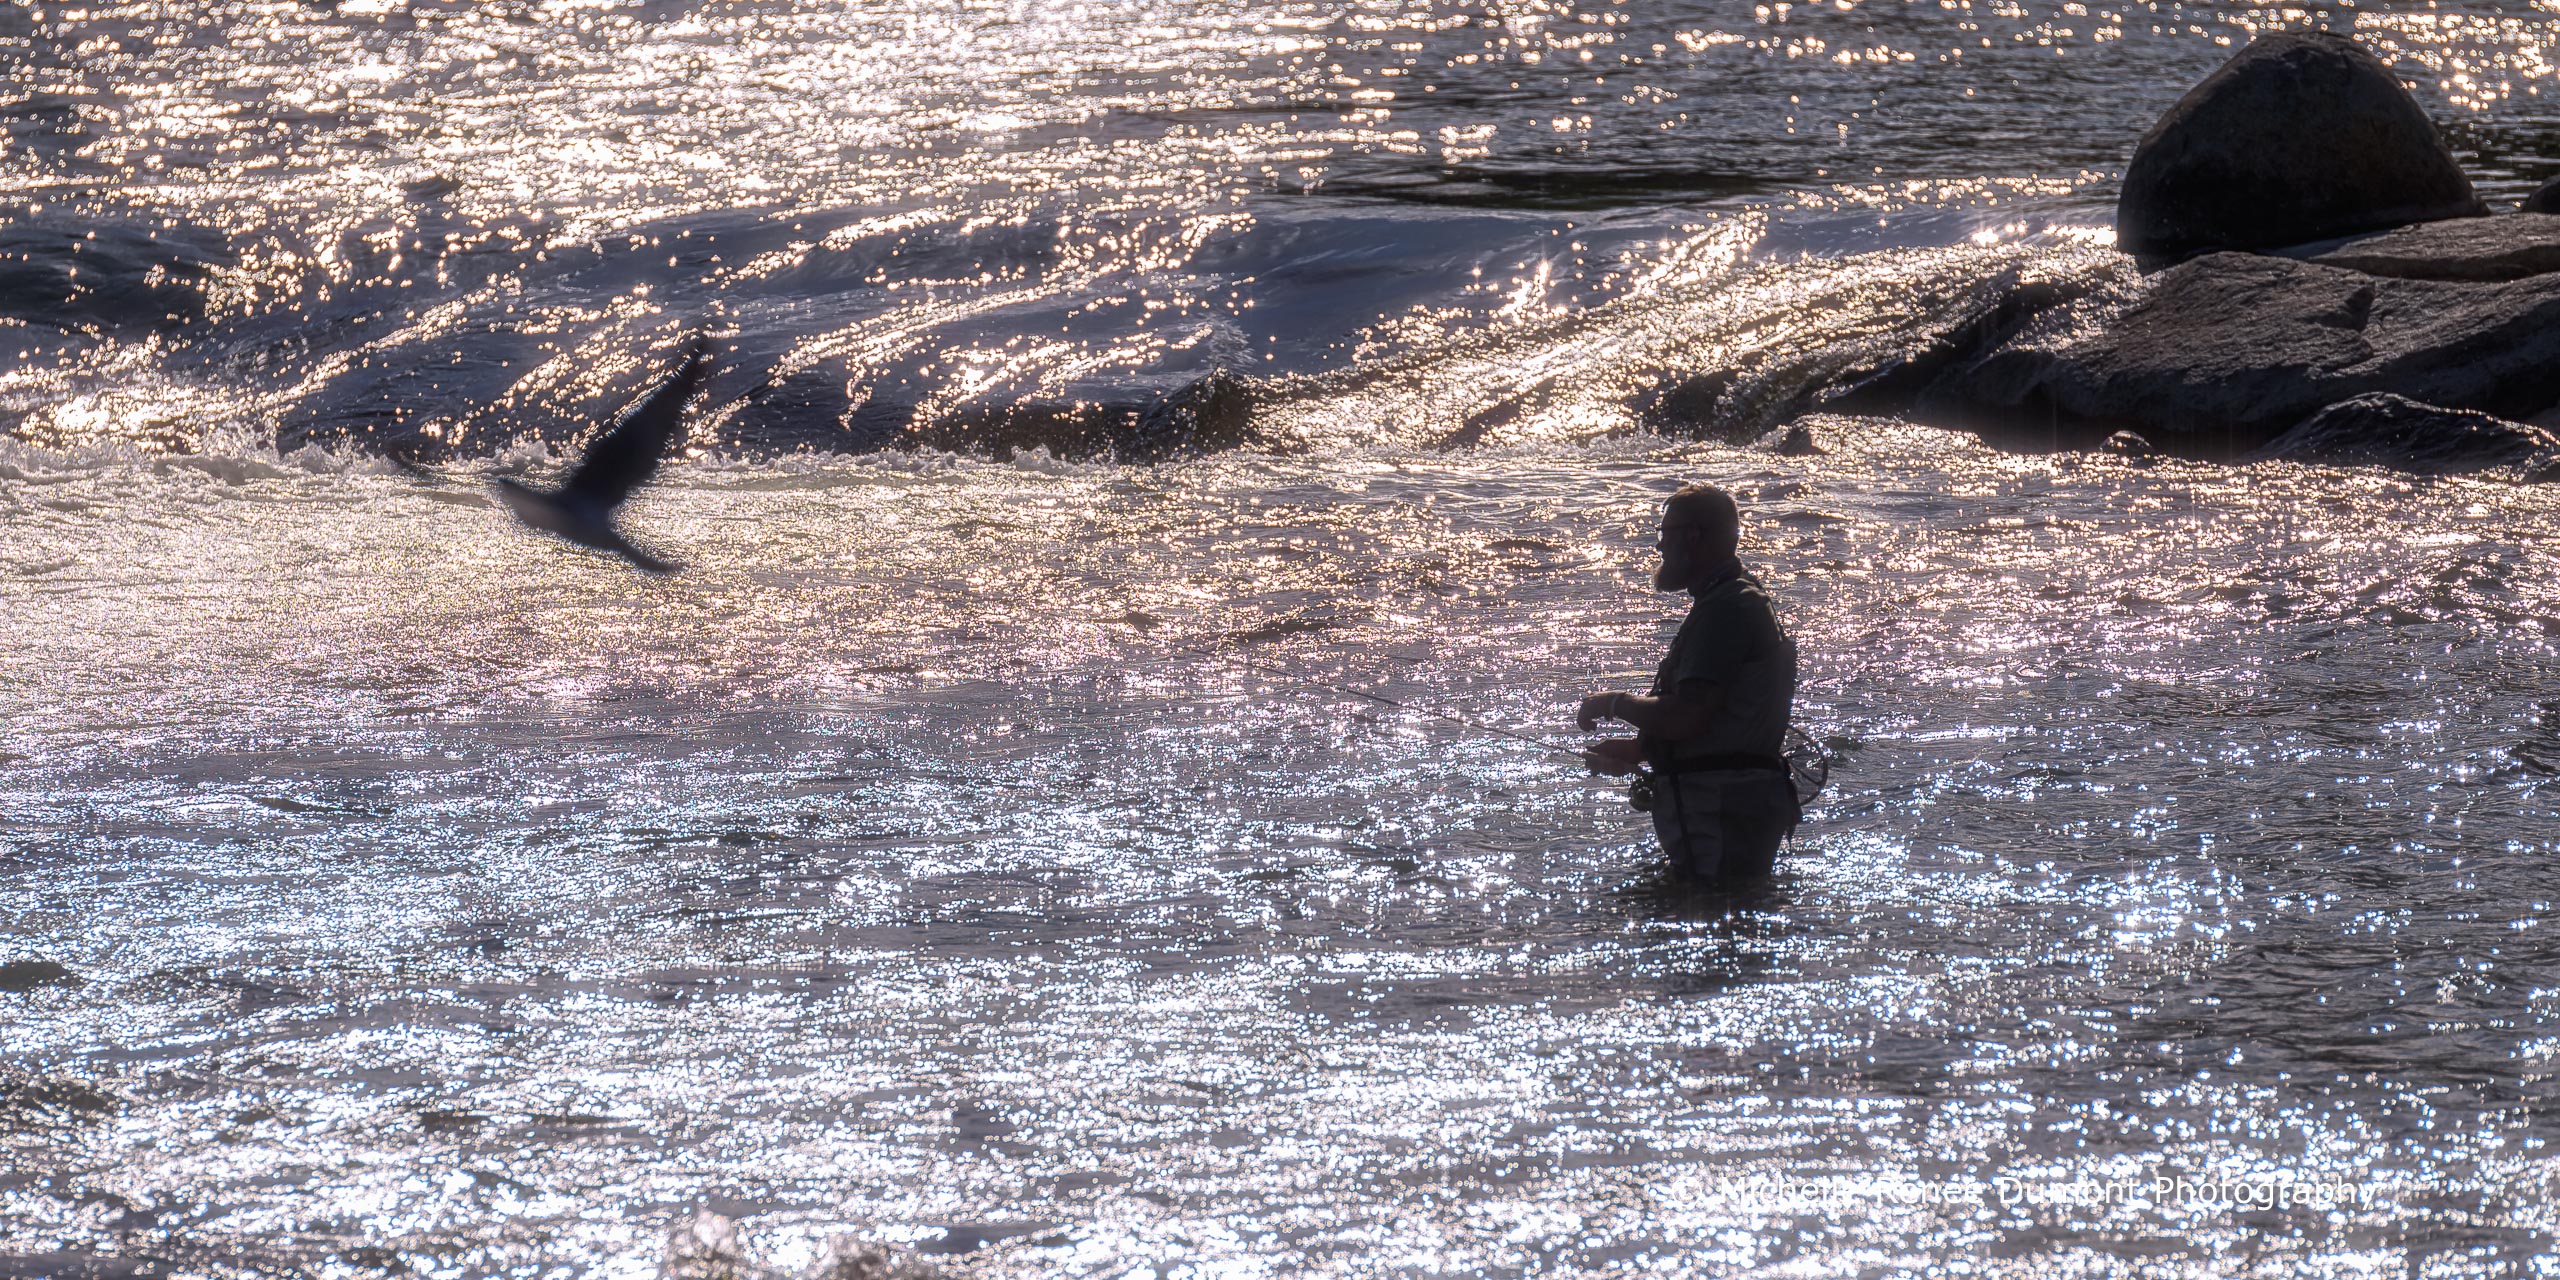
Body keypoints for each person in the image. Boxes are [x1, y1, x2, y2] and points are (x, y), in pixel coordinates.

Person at [1577, 483, 1799, 882]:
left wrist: (1613, 703)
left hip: (1721, 813)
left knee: (1714, 908)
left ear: (1693, 536)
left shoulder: (1726, 609)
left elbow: (1687, 717)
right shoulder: (1734, 597)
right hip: (1732, 809)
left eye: (1664, 533)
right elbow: (1720, 719)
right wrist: (1639, 751)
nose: (1659, 546)